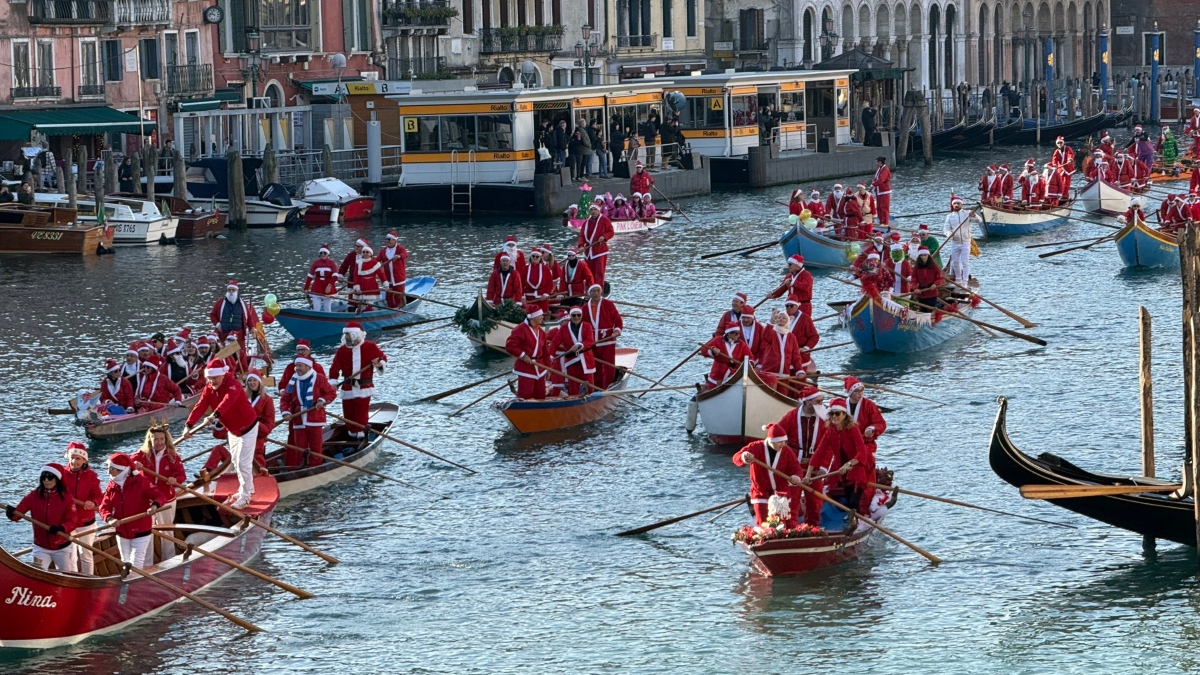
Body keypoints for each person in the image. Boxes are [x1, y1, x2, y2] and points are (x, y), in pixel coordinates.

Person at [183, 359, 259, 509]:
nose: (212, 381)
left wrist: (215, 415)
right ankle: (248, 489)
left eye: (215, 378)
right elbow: (201, 405)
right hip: (232, 430)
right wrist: (189, 425)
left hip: (248, 427)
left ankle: (245, 497)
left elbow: (228, 400)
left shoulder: (234, 384)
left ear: (223, 375)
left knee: (243, 462)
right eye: (210, 378)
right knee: (236, 462)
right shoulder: (209, 388)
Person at [804, 398, 870, 524]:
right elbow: (818, 453)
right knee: (848, 500)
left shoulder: (853, 429)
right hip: (842, 472)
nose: (834, 417)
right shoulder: (830, 432)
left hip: (857, 469)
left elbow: (862, 453)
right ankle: (852, 519)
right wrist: (808, 475)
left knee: (853, 503)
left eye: (837, 413)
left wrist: (849, 463)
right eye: (832, 414)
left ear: (844, 415)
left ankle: (855, 521)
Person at [6, 463, 78, 572]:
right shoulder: (33, 496)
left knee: (67, 576)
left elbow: (73, 521)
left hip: (62, 547)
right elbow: (17, 515)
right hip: (40, 547)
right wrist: (11, 514)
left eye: (50, 477)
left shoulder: (67, 498)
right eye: (43, 477)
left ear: (57, 479)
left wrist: (61, 528)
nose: (46, 480)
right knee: (37, 574)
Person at [131, 425, 186, 562]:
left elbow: (181, 475)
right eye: (156, 439)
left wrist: (175, 480)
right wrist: (134, 465)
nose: (159, 442)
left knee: (166, 530)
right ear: (150, 440)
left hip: (166, 499)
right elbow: (128, 463)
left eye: (161, 439)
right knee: (146, 531)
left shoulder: (173, 456)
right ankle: (146, 563)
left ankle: (169, 560)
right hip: (147, 500)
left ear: (166, 439)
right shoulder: (142, 455)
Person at [732, 423, 804, 527]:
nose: (783, 444)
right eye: (780, 442)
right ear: (771, 441)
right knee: (762, 522)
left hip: (781, 492)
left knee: (782, 523)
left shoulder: (786, 451)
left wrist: (796, 477)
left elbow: (796, 469)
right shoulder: (755, 447)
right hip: (760, 491)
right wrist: (744, 456)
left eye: (784, 441)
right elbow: (736, 457)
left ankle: (782, 538)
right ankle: (764, 536)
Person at [98, 452, 161, 568]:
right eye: (108, 468)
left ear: (121, 469)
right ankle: (128, 583)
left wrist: (154, 506)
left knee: (136, 564)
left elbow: (159, 496)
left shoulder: (141, 481)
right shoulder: (112, 485)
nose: (108, 472)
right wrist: (109, 518)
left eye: (112, 469)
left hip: (141, 530)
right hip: (122, 532)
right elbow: (104, 507)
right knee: (125, 563)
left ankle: (132, 583)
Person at [329, 321, 386, 439]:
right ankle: (351, 434)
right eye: (346, 335)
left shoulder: (370, 347)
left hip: (364, 387)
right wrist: (333, 381)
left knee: (360, 413)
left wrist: (378, 363)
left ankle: (361, 435)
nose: (346, 337)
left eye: (348, 335)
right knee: (348, 414)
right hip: (347, 387)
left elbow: (383, 358)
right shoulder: (342, 350)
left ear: (355, 335)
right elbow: (334, 367)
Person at [280, 356, 337, 467]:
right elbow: (285, 398)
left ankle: (315, 466)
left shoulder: (319, 378)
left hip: (314, 417)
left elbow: (331, 393)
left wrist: (322, 400)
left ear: (307, 366)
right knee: (299, 447)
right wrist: (285, 412)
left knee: (315, 447)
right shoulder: (293, 380)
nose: (297, 368)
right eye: (296, 365)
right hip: (298, 419)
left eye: (300, 366)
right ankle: (300, 467)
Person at [62, 442, 102, 574]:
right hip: (68, 522)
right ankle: (73, 580)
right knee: (69, 555)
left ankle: (88, 580)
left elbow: (98, 496)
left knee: (86, 555)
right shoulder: (61, 475)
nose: (74, 461)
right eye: (72, 457)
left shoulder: (91, 477)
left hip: (86, 522)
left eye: (78, 458)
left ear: (84, 460)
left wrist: (93, 502)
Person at [845, 378, 885, 498]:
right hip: (846, 446)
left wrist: (872, 429)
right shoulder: (842, 406)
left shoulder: (869, 405)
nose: (860, 394)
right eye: (856, 391)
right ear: (850, 392)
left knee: (865, 472)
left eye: (861, 391)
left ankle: (864, 499)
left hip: (865, 445)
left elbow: (880, 423)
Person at [584, 283, 624, 390]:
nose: (596, 293)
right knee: (594, 366)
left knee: (608, 366)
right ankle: (597, 388)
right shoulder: (584, 308)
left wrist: (616, 331)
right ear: (590, 293)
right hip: (592, 342)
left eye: (598, 291)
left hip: (607, 340)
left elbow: (618, 320)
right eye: (593, 291)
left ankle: (608, 387)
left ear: (601, 292)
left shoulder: (608, 304)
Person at [550, 307, 596, 395]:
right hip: (571, 361)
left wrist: (580, 345)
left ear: (582, 315)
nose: (576, 317)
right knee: (573, 388)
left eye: (579, 315)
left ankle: (590, 401)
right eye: (574, 315)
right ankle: (574, 403)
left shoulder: (587, 326)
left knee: (590, 386)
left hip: (586, 360)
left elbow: (590, 341)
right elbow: (555, 343)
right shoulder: (564, 329)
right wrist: (550, 356)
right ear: (570, 316)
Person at [757, 310, 804, 394]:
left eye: (784, 318)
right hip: (769, 373)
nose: (781, 319)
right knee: (768, 395)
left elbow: (796, 355)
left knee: (783, 395)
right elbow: (765, 336)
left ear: (788, 321)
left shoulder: (792, 337)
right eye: (779, 317)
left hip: (784, 375)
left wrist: (799, 370)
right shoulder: (772, 333)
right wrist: (771, 321)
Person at [506, 308, 549, 399]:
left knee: (541, 395)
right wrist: (523, 355)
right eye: (540, 315)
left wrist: (548, 368)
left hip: (540, 367)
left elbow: (545, 352)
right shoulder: (520, 329)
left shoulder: (541, 332)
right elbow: (510, 346)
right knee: (525, 395)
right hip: (526, 368)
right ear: (532, 317)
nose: (542, 317)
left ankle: (541, 411)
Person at [776, 386, 825, 460]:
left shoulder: (824, 417)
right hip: (794, 459)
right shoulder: (792, 415)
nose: (821, 404)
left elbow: (829, 444)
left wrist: (823, 467)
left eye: (822, 400)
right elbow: (777, 433)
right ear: (808, 402)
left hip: (816, 460)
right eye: (818, 401)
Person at [209, 279, 259, 346]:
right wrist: (218, 325)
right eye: (229, 290)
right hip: (224, 335)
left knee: (240, 355)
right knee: (225, 354)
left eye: (233, 290)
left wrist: (252, 328)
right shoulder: (220, 303)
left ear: (237, 291)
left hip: (239, 337)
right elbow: (213, 315)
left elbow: (249, 318)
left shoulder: (243, 304)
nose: (231, 292)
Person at [577, 202, 614, 287]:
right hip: (588, 251)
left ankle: (599, 290)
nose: (593, 211)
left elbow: (611, 232)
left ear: (599, 210)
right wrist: (581, 246)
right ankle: (589, 289)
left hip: (600, 250)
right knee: (589, 272)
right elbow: (581, 235)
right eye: (591, 210)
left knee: (599, 272)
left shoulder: (605, 220)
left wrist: (604, 237)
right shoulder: (586, 223)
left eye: (595, 209)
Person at [943, 197, 976, 283]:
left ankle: (965, 281)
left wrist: (974, 216)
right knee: (955, 262)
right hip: (955, 242)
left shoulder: (968, 213)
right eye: (955, 204)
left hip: (966, 242)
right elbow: (946, 229)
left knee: (965, 262)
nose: (956, 205)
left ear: (961, 204)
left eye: (958, 203)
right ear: (952, 205)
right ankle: (958, 279)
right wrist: (949, 234)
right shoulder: (949, 216)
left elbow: (979, 221)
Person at [375, 232, 409, 309]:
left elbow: (405, 254)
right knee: (389, 296)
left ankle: (400, 307)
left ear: (394, 240)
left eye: (389, 239)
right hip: (388, 278)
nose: (387, 241)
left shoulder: (400, 249)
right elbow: (377, 260)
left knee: (399, 295)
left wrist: (399, 256)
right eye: (386, 239)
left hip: (398, 278)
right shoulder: (383, 251)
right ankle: (391, 309)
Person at [305, 244, 342, 312]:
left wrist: (330, 285)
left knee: (327, 308)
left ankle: (328, 319)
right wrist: (306, 287)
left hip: (327, 288)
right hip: (317, 287)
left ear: (328, 254)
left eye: (325, 253)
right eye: (321, 253)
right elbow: (310, 276)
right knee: (316, 308)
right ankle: (316, 319)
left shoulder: (332, 263)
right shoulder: (315, 263)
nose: (323, 254)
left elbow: (335, 276)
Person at [350, 244, 386, 312]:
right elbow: (356, 276)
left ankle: (368, 311)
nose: (365, 253)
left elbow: (381, 275)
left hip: (371, 285)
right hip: (361, 285)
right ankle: (361, 310)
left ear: (370, 254)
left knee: (369, 303)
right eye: (364, 252)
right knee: (361, 302)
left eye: (367, 252)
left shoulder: (375, 263)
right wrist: (357, 287)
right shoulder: (358, 263)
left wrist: (385, 285)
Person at [522, 248, 553, 315]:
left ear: (540, 258)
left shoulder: (545, 268)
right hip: (529, 298)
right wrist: (522, 297)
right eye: (533, 256)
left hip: (542, 298)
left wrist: (546, 294)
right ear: (531, 257)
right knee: (529, 315)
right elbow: (521, 284)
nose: (535, 258)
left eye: (537, 256)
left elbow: (549, 283)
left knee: (542, 315)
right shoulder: (525, 269)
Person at [871, 156, 892, 226]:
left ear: (879, 162)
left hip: (884, 191)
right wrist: (873, 184)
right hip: (879, 190)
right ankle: (881, 221)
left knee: (884, 207)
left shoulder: (885, 169)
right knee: (879, 207)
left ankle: (885, 222)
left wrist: (874, 184)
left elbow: (881, 180)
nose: (876, 163)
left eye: (876, 162)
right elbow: (875, 178)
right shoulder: (879, 169)